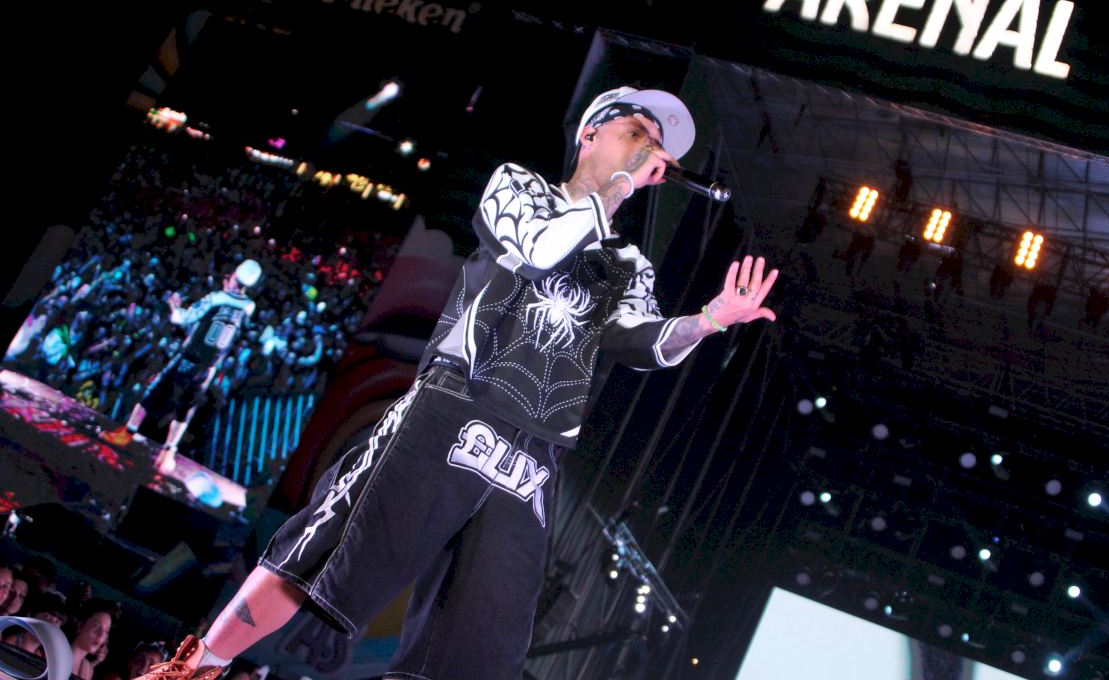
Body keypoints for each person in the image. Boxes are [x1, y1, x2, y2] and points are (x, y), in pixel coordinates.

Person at [134, 87, 780, 680]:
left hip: (535, 447)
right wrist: (612, 189)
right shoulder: (519, 187)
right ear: (591, 133)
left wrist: (708, 320)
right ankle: (198, 667)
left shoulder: (628, 262)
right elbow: (540, 249)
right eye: (636, 132)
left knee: (480, 638)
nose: (647, 150)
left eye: (655, 146)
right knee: (338, 547)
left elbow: (642, 342)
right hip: (459, 400)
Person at [103, 260, 262, 472]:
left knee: (155, 392)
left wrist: (174, 305)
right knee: (187, 407)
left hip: (189, 358)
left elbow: (182, 319)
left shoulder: (215, 297)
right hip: (209, 367)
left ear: (233, 277)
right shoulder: (249, 306)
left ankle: (128, 433)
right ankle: (168, 454)